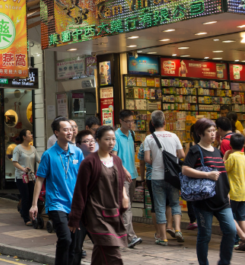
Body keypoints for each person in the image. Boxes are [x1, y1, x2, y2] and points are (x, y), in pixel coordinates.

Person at [182, 118, 245, 265]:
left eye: (214, 131)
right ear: (200, 133)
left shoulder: (218, 152)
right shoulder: (195, 150)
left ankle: (224, 262)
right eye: (209, 131)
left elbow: (223, 175)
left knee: (231, 231)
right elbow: (185, 169)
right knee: (205, 235)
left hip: (222, 200)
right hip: (203, 201)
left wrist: (227, 194)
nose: (213, 134)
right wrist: (206, 175)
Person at [69, 125, 129, 264]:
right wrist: (75, 218)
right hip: (96, 214)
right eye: (107, 139)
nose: (111, 143)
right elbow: (80, 191)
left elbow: (121, 182)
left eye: (113, 139)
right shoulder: (89, 162)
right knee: (112, 253)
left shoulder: (117, 160)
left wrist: (125, 196)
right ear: (98, 141)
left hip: (113, 212)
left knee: (100, 252)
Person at [29, 117, 83, 265]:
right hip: (56, 203)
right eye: (65, 130)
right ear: (56, 133)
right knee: (65, 238)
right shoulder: (48, 155)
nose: (69, 132)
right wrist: (34, 205)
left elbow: (83, 178)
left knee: (75, 245)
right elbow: (39, 179)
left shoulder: (77, 153)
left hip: (75, 204)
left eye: (70, 129)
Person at [143, 110, 185, 245]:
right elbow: (181, 154)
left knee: (160, 206)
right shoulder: (174, 136)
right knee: (174, 203)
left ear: (152, 123)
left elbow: (147, 159)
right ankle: (177, 229)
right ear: (165, 122)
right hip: (172, 176)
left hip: (156, 176)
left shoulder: (149, 139)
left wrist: (157, 162)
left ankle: (163, 237)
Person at [113, 109, 142, 248]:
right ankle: (131, 237)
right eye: (127, 121)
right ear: (121, 121)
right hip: (122, 175)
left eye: (132, 121)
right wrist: (124, 170)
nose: (131, 124)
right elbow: (114, 156)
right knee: (126, 207)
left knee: (124, 207)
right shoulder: (115, 136)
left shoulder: (132, 133)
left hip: (133, 174)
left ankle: (118, 234)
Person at [225, 133, 245, 252]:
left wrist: (225, 156)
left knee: (230, 216)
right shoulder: (243, 157)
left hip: (233, 192)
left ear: (230, 144)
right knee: (241, 217)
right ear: (243, 145)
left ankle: (243, 238)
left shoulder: (232, 157)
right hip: (243, 191)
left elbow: (223, 169)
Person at [12, 129, 40, 226]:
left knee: (33, 196)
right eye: (29, 133)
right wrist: (23, 169)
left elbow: (39, 160)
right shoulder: (18, 148)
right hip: (21, 177)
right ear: (24, 137)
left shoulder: (33, 148)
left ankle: (29, 213)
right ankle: (26, 218)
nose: (31, 135)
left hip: (31, 177)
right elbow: (14, 162)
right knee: (26, 197)